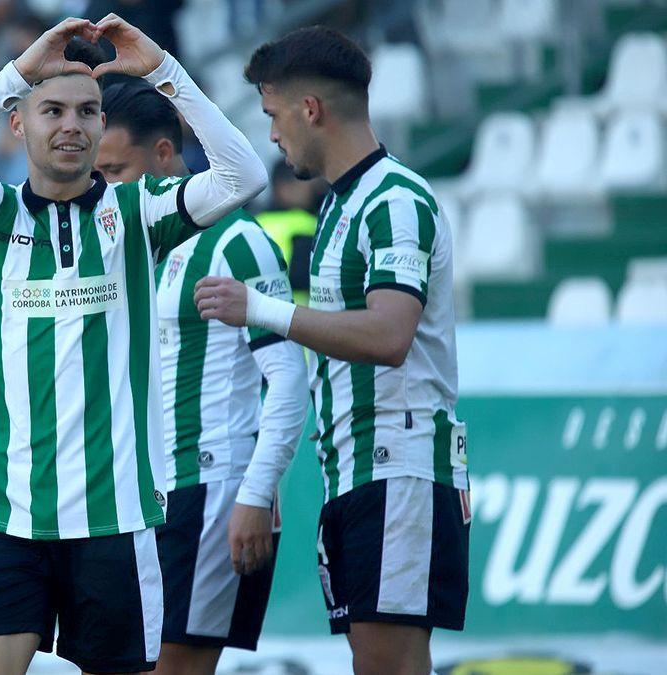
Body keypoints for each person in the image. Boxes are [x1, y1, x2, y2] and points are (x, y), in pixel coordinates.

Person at [0, 14, 268, 675]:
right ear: (18, 125)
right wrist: (13, 76)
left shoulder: (136, 214)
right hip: (5, 518)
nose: (71, 124)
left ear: (103, 124)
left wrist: (164, 71)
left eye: (86, 111)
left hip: (116, 524)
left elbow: (243, 176)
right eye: (51, 110)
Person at [194, 26, 469, 675]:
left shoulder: (394, 200)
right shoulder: (344, 205)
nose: (272, 135)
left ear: (309, 109)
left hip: (399, 463)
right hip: (357, 467)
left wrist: (260, 308)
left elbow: (390, 335)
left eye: (272, 115)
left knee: (389, 661)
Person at [95, 80, 308, 675]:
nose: (105, 188)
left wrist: (255, 494)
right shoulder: (126, 244)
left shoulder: (238, 241)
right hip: (144, 495)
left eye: (116, 171)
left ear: (165, 154)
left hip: (214, 489)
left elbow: (289, 382)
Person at [254, 159, 325, 306]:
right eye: (304, 181)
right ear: (284, 188)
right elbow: (308, 279)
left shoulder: (254, 222)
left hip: (254, 316)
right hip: (297, 318)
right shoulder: (304, 224)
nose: (312, 188)